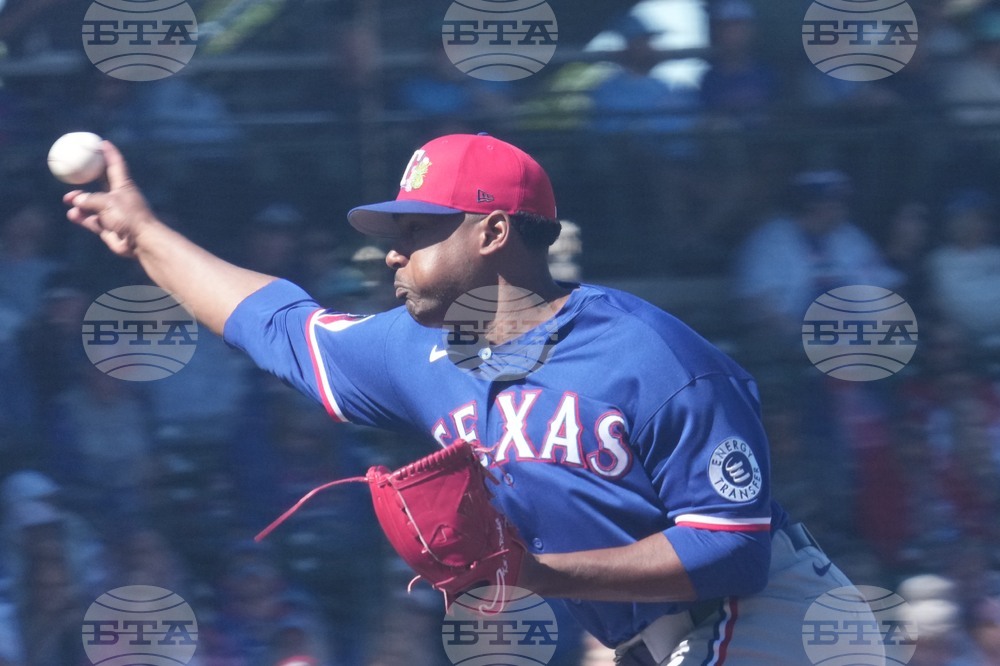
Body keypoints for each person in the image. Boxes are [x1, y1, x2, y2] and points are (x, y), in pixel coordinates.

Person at [64, 133, 873, 664]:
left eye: (416, 233)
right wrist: (142, 234)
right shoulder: (416, 349)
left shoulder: (653, 356)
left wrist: (540, 575)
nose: (391, 255)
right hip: (657, 640)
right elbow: (275, 324)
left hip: (775, 621)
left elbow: (735, 548)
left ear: (491, 233)